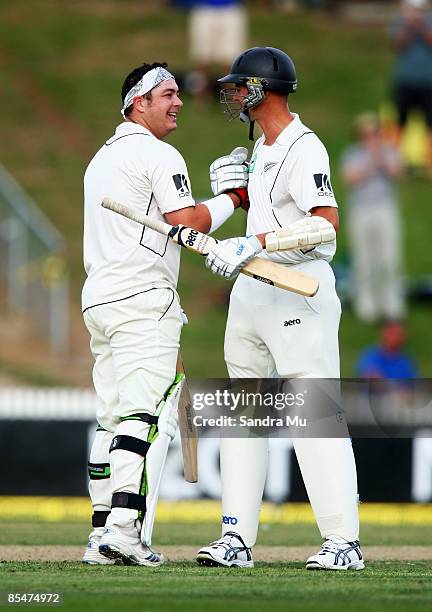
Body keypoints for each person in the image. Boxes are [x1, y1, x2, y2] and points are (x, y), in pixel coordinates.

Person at [195, 47, 364, 570]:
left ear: (260, 90)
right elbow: (261, 213)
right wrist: (237, 207)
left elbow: (326, 225)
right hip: (252, 295)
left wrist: (257, 241)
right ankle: (236, 539)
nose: (231, 95)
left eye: (238, 86)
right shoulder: (260, 149)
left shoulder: (303, 147)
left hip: (297, 290)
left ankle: (344, 542)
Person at [81, 61, 249, 566]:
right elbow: (188, 222)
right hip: (142, 299)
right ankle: (124, 533)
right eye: (168, 94)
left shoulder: (100, 159)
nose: (178, 103)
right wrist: (234, 198)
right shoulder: (158, 153)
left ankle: (100, 532)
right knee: (142, 417)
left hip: (101, 299)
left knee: (110, 420)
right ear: (140, 102)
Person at [340, 112, 405, 323]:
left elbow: (396, 172)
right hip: (361, 211)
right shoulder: (352, 154)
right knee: (364, 259)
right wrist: (369, 159)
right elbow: (351, 177)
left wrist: (378, 156)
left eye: (374, 132)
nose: (370, 137)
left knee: (389, 257)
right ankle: (366, 306)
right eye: (366, 133)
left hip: (385, 209)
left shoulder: (388, 152)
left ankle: (392, 304)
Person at [389, 0, 432, 174]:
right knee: (400, 122)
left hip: (428, 81)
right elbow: (399, 44)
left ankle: (429, 163)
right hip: (405, 80)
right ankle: (395, 162)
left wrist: (420, 26)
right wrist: (409, 26)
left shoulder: (429, 22)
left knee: (430, 123)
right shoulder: (400, 22)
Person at [186, 0, 248, 100]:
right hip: (203, 8)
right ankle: (201, 98)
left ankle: (232, 99)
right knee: (202, 58)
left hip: (231, 9)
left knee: (231, 59)